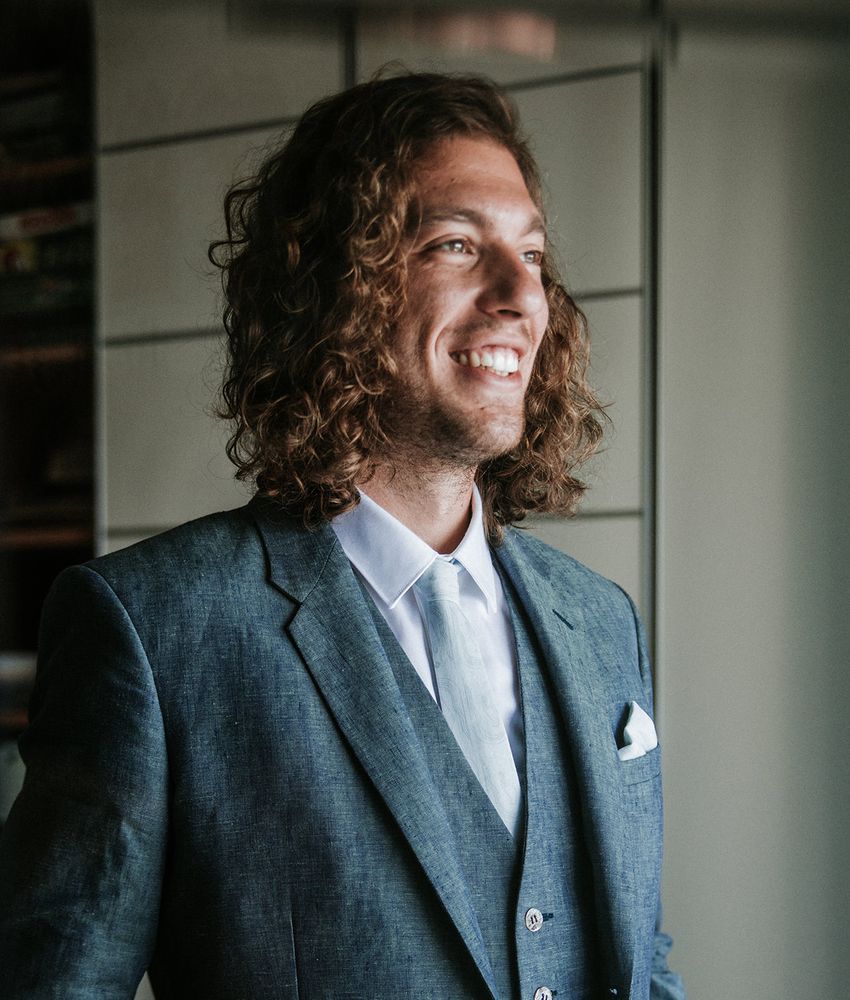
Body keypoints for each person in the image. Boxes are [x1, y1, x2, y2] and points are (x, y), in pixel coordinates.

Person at [0, 72, 684, 1000]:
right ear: (336, 291)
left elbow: (643, 964)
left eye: (531, 254)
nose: (521, 293)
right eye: (455, 244)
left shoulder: (603, 625)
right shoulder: (151, 631)